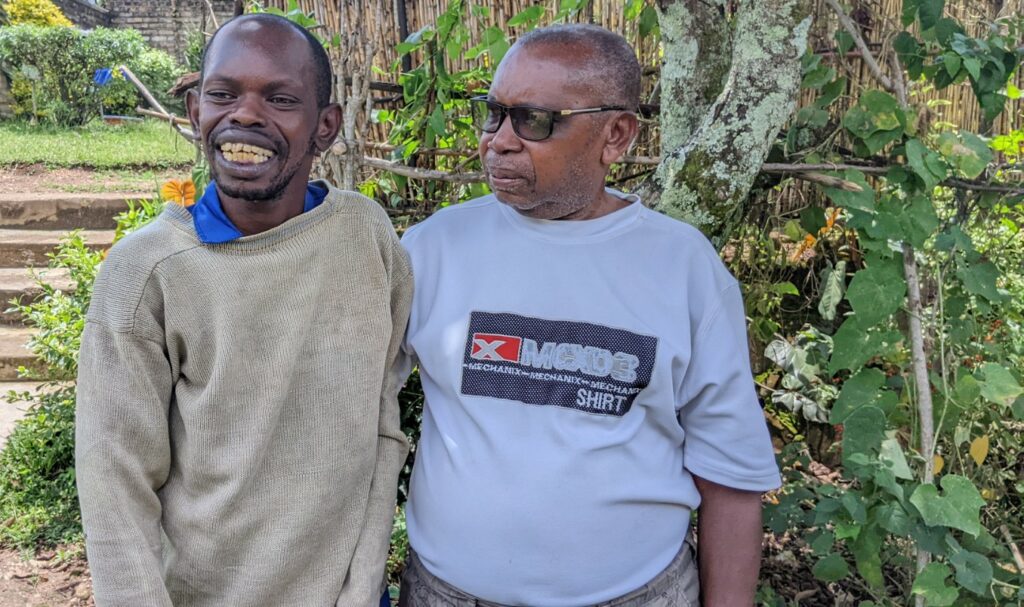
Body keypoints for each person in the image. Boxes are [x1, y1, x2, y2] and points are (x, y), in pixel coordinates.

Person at [398, 24, 780, 607]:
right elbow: (347, 406)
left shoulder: (681, 269)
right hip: (444, 593)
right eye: (492, 113)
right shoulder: (432, 249)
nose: (498, 141)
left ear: (616, 134)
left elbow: (731, 479)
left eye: (534, 120)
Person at [75, 14, 411, 607]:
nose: (246, 115)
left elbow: (382, 421)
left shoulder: (366, 237)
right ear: (194, 110)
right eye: (222, 94)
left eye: (280, 98)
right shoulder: (147, 271)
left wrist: (362, 586)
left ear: (326, 126)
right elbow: (114, 478)